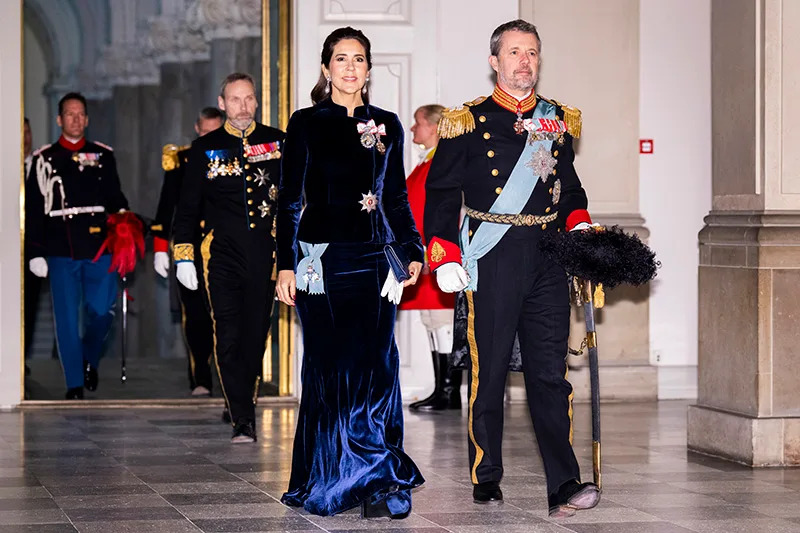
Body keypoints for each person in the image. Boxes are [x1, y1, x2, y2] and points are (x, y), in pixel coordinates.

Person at [423, 20, 601, 517]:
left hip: (547, 257)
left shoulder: (557, 121)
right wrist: (444, 254)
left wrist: (581, 225)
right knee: (491, 369)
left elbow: (570, 188)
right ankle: (487, 472)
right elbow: (441, 195)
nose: (525, 62)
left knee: (550, 373)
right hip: (494, 255)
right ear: (495, 61)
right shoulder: (467, 121)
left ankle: (563, 483)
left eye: (533, 53)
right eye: (515, 52)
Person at [276, 26, 425, 519]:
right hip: (320, 261)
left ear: (367, 68)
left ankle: (379, 482)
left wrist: (411, 251)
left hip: (374, 261)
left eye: (358, 59)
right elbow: (290, 202)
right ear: (326, 68)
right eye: (341, 59)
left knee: (378, 368)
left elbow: (397, 199)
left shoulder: (387, 124)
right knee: (332, 368)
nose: (350, 67)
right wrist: (284, 264)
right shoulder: (305, 123)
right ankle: (333, 479)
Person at [172, 73, 283, 443]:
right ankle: (242, 417)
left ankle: (243, 398)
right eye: (235, 100)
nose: (243, 106)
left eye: (249, 98)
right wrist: (183, 255)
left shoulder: (278, 142)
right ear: (222, 104)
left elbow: (295, 202)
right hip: (222, 254)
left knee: (255, 335)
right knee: (228, 333)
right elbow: (186, 208)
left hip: (265, 255)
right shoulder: (205, 148)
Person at [26, 93, 129, 399]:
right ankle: (74, 383)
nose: (75, 119)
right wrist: (35, 251)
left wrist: (124, 217)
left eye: (80, 114)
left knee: (102, 311)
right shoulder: (44, 159)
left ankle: (88, 358)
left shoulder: (103, 155)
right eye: (69, 114)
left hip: (99, 245)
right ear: (59, 120)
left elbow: (114, 196)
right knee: (67, 318)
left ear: (86, 119)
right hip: (61, 247)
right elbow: (33, 209)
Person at [152, 107, 224, 397]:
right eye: (204, 132)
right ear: (196, 129)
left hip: (223, 246)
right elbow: (166, 205)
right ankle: (201, 377)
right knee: (195, 315)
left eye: (214, 132)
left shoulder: (232, 155)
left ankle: (231, 378)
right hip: (189, 248)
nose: (208, 137)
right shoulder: (181, 160)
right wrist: (159, 248)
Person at [399, 105, 461, 411]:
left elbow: (440, 213)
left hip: (436, 256)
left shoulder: (443, 165)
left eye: (418, 123)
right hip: (423, 255)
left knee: (443, 321)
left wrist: (428, 252)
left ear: (435, 127)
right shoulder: (428, 163)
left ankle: (449, 391)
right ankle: (442, 389)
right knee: (431, 321)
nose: (413, 129)